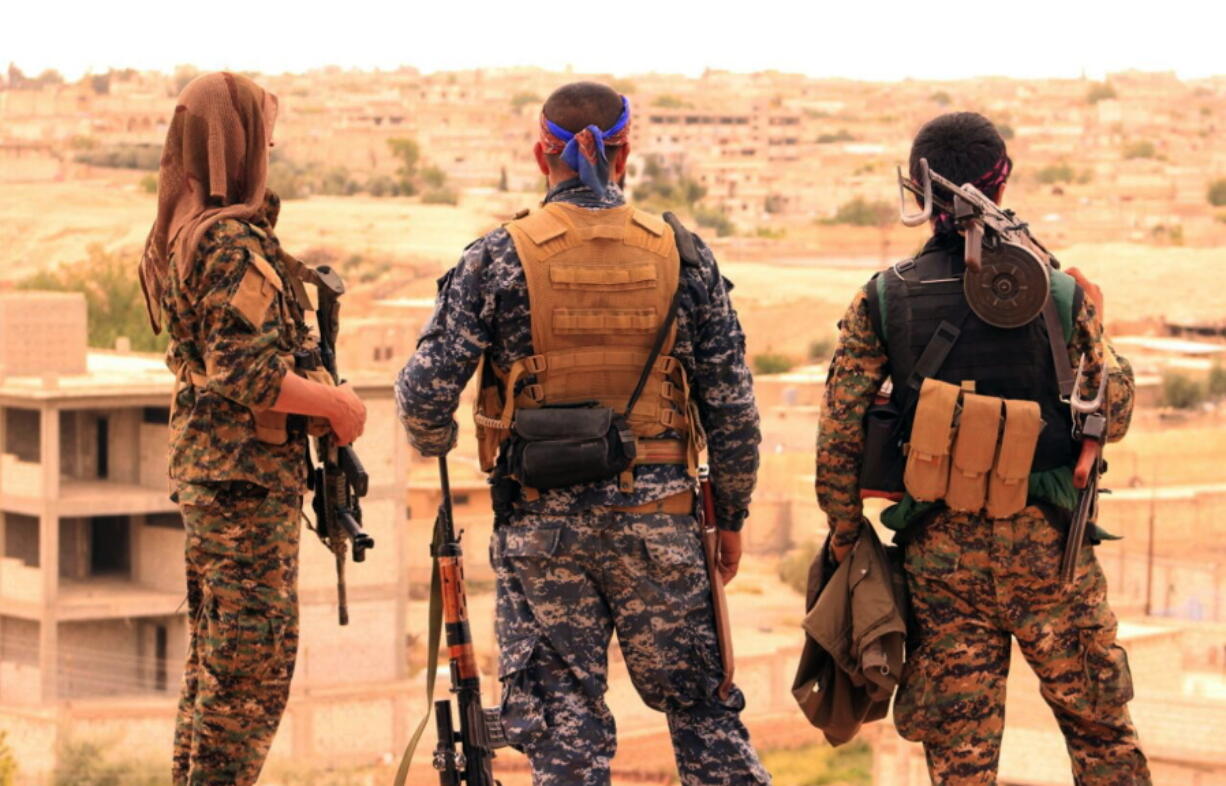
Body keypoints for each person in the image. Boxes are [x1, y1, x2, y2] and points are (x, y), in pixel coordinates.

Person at [396, 82, 771, 786]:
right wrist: (733, 517)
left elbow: (423, 400)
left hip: (543, 531)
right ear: (625, 154)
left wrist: (437, 438)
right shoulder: (683, 256)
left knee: (564, 736)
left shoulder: (496, 258)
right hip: (662, 527)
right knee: (704, 716)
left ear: (543, 154)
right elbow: (733, 409)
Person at [815, 112, 1150, 785]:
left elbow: (838, 436)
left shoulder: (883, 298)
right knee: (1102, 738)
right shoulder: (1058, 293)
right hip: (1052, 559)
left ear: (917, 193)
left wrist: (848, 537)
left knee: (960, 762)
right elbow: (1111, 414)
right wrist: (1097, 322)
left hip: (941, 562)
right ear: (1002, 181)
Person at [139, 72, 367, 786]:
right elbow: (242, 369)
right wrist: (336, 408)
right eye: (264, 130)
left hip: (217, 480)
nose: (273, 143)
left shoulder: (181, 231)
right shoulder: (231, 240)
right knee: (250, 675)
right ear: (233, 141)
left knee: (216, 669)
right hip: (243, 487)